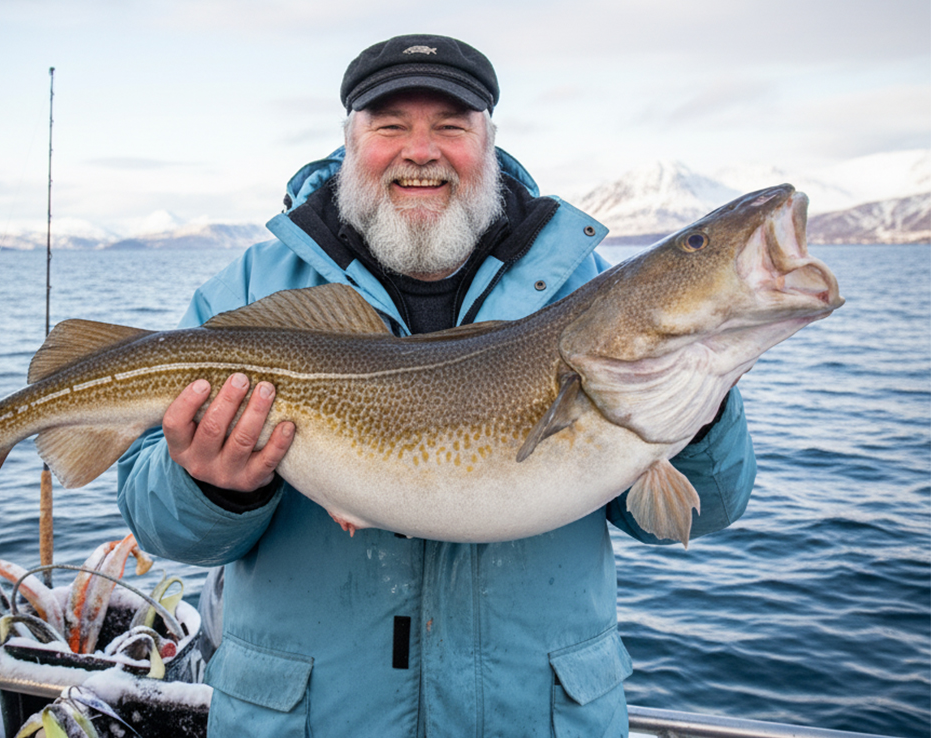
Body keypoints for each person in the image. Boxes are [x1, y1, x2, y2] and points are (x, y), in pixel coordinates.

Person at [117, 34, 755, 737]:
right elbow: (157, 522)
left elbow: (698, 513)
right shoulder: (247, 289)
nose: (420, 151)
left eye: (451, 126)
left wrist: (696, 402)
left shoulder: (584, 292)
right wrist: (212, 487)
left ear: (488, 142)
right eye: (390, 126)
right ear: (350, 143)